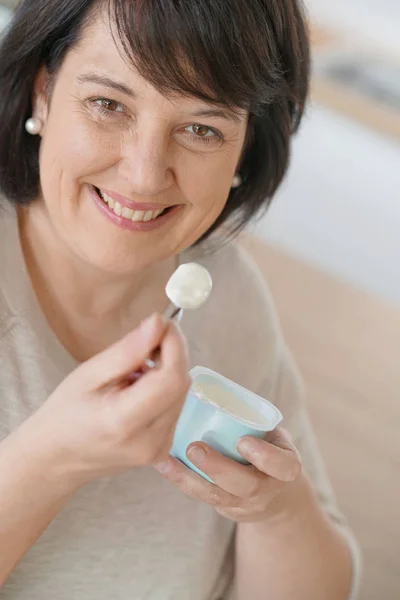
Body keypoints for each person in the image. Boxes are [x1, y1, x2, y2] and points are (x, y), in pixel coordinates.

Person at [0, 1, 360, 598]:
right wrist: (53, 457)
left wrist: (276, 511)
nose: (144, 175)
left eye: (201, 129)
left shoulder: (228, 290)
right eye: (108, 104)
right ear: (43, 92)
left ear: (243, 150)